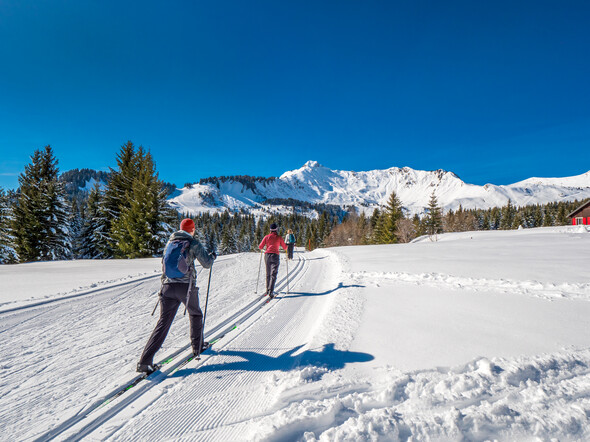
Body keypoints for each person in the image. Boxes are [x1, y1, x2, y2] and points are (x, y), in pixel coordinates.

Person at [137, 218, 216, 374]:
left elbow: (164, 265)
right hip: (186, 288)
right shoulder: (193, 243)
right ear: (192, 230)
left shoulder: (170, 243)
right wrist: (212, 257)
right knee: (195, 314)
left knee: (163, 322)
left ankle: (144, 362)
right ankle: (198, 347)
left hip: (167, 287)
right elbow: (206, 264)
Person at [259, 223, 287, 298]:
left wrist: (265, 247)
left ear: (270, 230)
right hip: (275, 256)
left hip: (267, 255)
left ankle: (267, 289)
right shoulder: (279, 237)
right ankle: (271, 291)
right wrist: (286, 246)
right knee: (273, 274)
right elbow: (284, 247)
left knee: (268, 273)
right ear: (276, 229)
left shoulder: (266, 237)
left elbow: (260, 246)